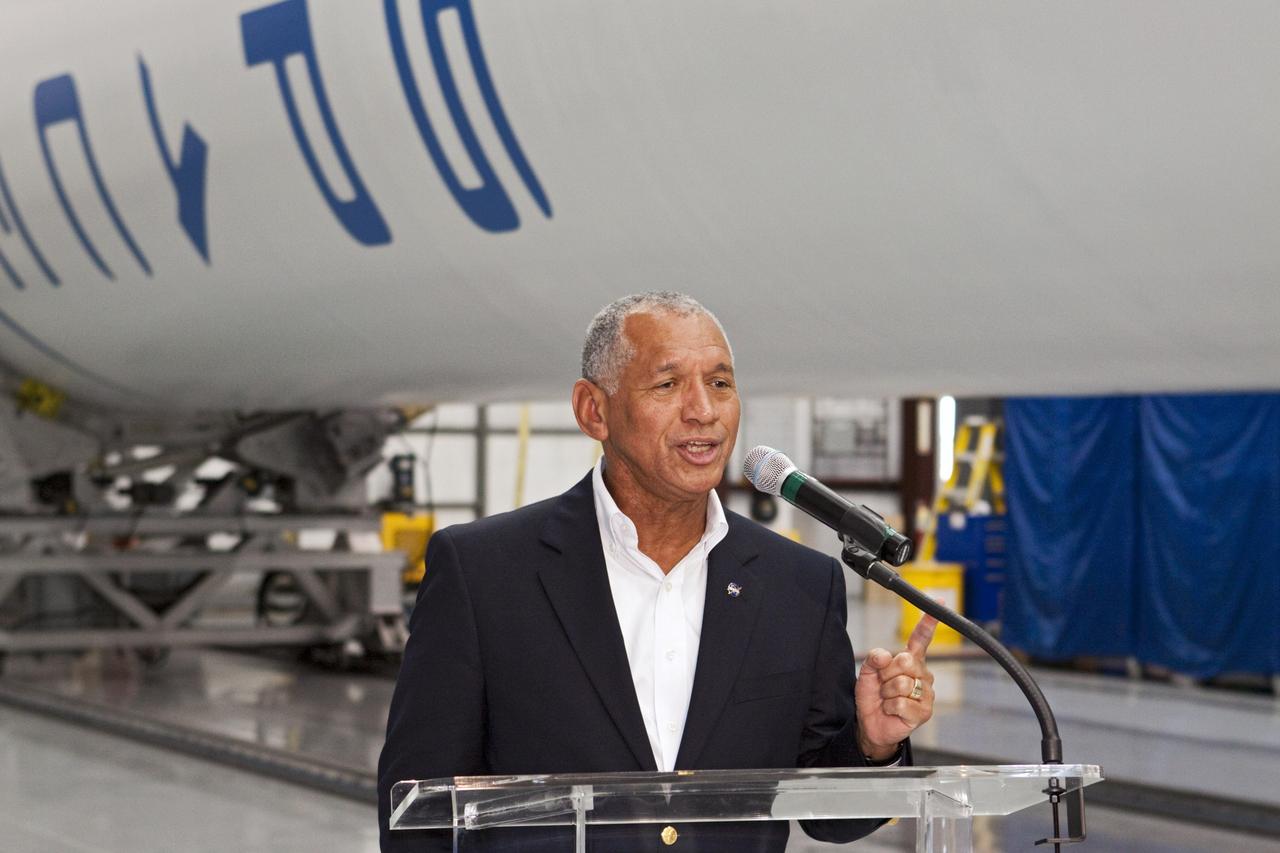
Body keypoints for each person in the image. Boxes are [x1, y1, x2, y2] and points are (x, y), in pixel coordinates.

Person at [379, 292, 936, 852]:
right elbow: (417, 814)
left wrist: (873, 744)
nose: (704, 410)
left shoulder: (798, 584)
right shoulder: (484, 573)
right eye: (668, 385)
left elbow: (831, 818)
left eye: (720, 383)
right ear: (593, 411)